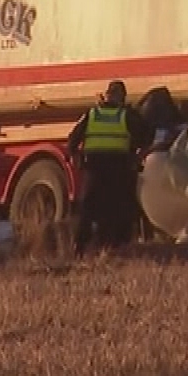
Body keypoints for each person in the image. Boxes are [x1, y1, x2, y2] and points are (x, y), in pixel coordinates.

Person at [67, 80, 149, 253]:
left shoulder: (92, 114)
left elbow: (73, 138)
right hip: (118, 168)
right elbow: (143, 137)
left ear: (107, 95)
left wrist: (74, 156)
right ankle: (115, 246)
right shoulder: (126, 115)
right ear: (122, 97)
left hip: (94, 168)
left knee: (88, 208)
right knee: (119, 207)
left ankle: (79, 246)